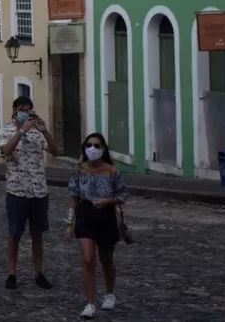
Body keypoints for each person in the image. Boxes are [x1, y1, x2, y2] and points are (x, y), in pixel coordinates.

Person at [0, 96, 61, 290]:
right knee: (15, 234)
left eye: (30, 109)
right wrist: (21, 131)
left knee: (37, 235)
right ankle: (11, 273)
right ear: (16, 109)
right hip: (17, 190)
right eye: (24, 109)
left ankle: (39, 273)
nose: (27, 112)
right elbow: (7, 151)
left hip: (39, 190)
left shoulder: (37, 132)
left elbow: (55, 151)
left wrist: (45, 131)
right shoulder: (5, 130)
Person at [66, 133, 129, 320]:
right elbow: (73, 197)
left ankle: (109, 293)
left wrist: (108, 201)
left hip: (106, 216)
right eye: (89, 145)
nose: (92, 149)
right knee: (87, 259)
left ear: (103, 149)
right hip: (85, 215)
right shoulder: (79, 170)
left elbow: (123, 195)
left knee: (106, 259)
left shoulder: (112, 171)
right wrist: (69, 222)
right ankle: (90, 303)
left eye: (97, 145)